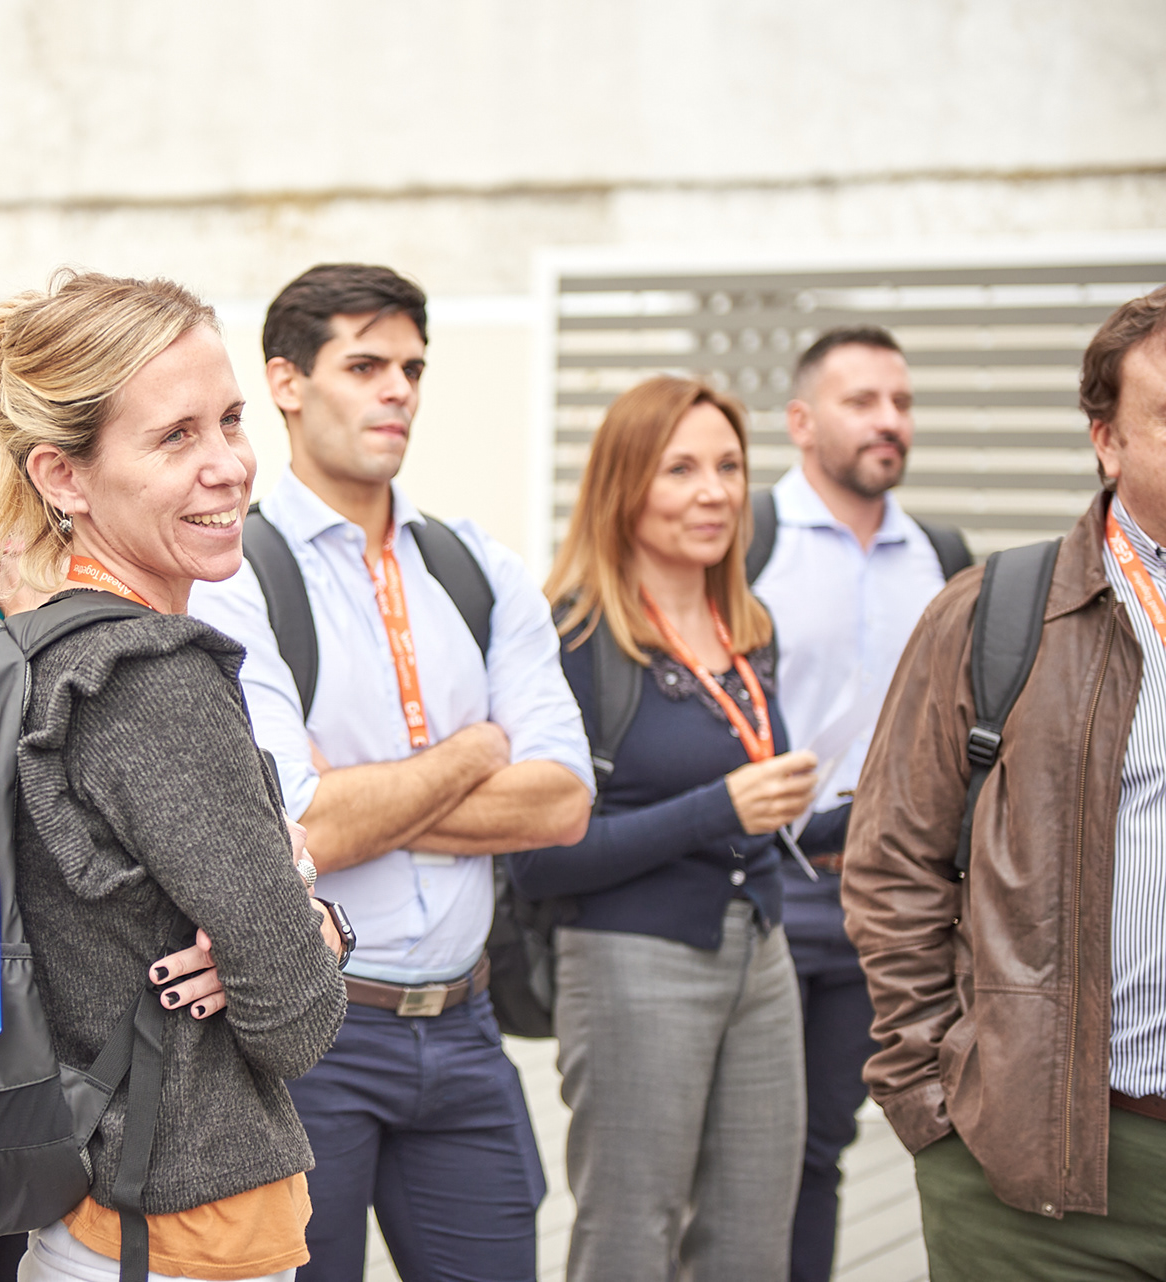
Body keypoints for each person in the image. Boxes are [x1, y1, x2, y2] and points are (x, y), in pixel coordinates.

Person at [0, 270, 348, 1282]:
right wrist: (316, 922)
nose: (228, 465)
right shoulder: (152, 679)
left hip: (94, 1210)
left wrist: (278, 922)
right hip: (182, 1228)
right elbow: (296, 1019)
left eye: (230, 420)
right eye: (175, 437)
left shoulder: (35, 647)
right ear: (63, 477)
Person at [188, 263, 594, 1282]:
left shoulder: (478, 566)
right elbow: (304, 828)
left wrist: (361, 794)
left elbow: (562, 800)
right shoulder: (233, 578)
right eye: (365, 365)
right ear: (286, 382)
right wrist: (476, 749)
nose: (398, 390)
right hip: (316, 1033)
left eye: (412, 368)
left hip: (467, 1027)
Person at [844, 287, 1166, 1277]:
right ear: (1107, 441)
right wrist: (931, 1103)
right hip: (1040, 1191)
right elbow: (893, 862)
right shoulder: (994, 615)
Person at [511, 376, 818, 1282]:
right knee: (631, 1238)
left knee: (754, 1236)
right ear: (624, 486)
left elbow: (752, 804)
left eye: (729, 466)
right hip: (628, 960)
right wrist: (722, 808)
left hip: (761, 949)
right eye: (680, 469)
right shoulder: (573, 638)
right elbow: (537, 861)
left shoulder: (748, 628)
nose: (714, 492)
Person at [747, 325, 966, 1282]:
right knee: (743, 1145)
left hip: (888, 904)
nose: (889, 421)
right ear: (801, 421)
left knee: (819, 1146)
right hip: (766, 890)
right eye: (863, 401)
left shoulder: (942, 558)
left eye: (902, 403)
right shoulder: (744, 542)